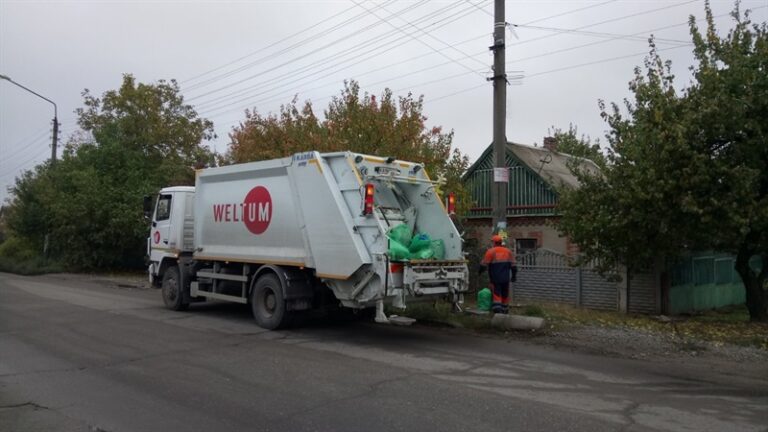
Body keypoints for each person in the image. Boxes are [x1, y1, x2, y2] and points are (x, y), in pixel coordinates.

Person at [479, 235, 517, 314]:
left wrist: (479, 272)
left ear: (494, 242)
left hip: (495, 278)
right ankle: (505, 311)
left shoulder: (491, 251)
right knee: (505, 294)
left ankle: (498, 312)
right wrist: (513, 276)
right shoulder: (508, 251)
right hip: (506, 278)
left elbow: (483, 265)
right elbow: (514, 266)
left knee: (496, 294)